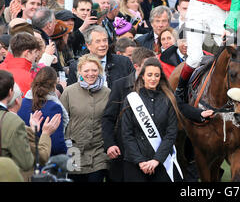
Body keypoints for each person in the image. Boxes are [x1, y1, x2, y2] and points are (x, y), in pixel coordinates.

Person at [121, 57, 183, 182]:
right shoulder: (132, 99)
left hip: (161, 162)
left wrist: (156, 160)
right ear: (142, 76)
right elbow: (127, 134)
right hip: (134, 162)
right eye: (149, 75)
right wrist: (140, 161)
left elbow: (170, 134)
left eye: (156, 75)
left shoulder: (168, 100)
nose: (153, 79)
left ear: (161, 77)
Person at [102, 47, 155, 182]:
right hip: (126, 150)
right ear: (136, 66)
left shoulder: (160, 85)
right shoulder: (120, 85)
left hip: (153, 149)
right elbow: (108, 117)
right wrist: (109, 144)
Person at [61, 54, 110, 182]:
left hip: (99, 150)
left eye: (94, 70)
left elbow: (111, 121)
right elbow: (62, 121)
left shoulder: (107, 93)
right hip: (74, 150)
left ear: (99, 71)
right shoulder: (69, 92)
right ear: (80, 72)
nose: (91, 74)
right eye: (86, 70)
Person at [17, 66, 68, 156]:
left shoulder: (22, 103)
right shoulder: (54, 107)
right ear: (54, 85)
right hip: (47, 159)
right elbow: (56, 144)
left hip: (23, 155)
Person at [67, 25, 134, 88]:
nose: (103, 44)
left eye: (105, 40)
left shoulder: (124, 62)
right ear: (88, 45)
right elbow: (72, 93)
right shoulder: (76, 66)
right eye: (98, 41)